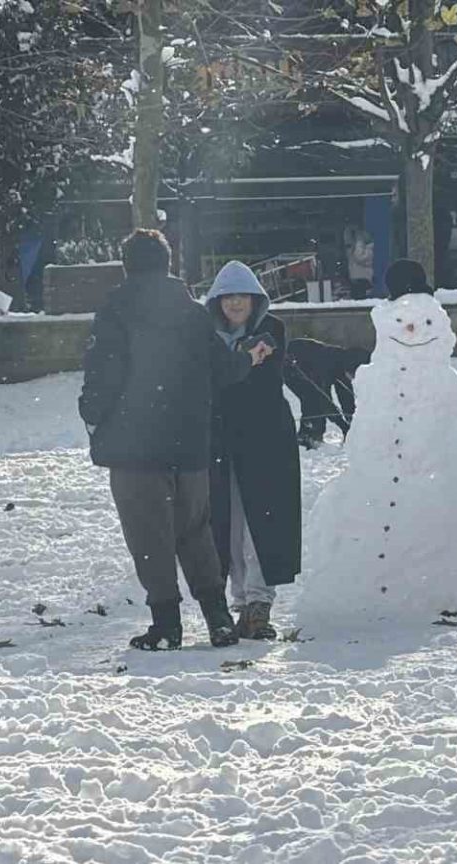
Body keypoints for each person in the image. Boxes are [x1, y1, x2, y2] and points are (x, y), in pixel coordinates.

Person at [79, 230, 270, 651]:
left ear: (126, 265)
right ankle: (218, 618)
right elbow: (223, 368)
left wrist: (92, 414)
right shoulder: (192, 313)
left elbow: (104, 375)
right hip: (190, 445)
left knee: (149, 536)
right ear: (168, 263)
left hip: (136, 447)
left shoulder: (115, 311)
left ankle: (166, 625)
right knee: (195, 531)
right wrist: (248, 359)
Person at [205, 261, 302, 640]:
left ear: (254, 299)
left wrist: (235, 365)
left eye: (242, 296)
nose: (235, 304)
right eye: (228, 296)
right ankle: (240, 602)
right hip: (220, 441)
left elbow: (255, 382)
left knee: (261, 522)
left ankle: (259, 603)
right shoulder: (208, 337)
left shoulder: (270, 331)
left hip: (265, 440)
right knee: (227, 523)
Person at [284, 337, 371, 449]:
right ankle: (307, 436)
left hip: (309, 366)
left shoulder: (342, 366)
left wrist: (352, 421)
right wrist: (343, 426)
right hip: (292, 367)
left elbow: (346, 397)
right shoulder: (326, 364)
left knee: (314, 398)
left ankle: (311, 433)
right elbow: (325, 400)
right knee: (312, 398)